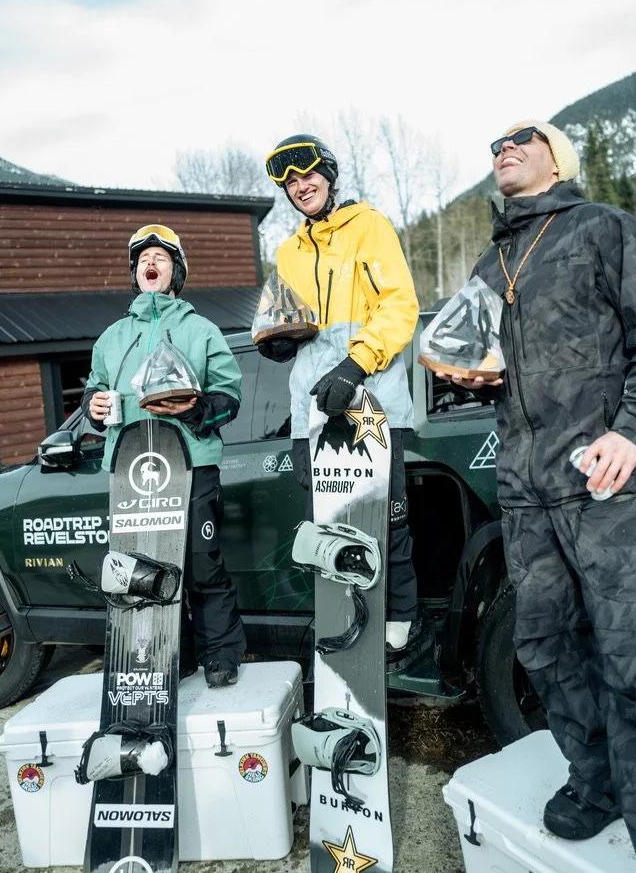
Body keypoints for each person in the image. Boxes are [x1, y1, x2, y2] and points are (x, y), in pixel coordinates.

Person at [440, 121, 636, 873]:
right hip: (526, 493)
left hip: (605, 480)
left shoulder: (602, 227)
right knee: (548, 647)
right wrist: (469, 375)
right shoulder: (490, 261)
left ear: (557, 156)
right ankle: (596, 782)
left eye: (519, 137)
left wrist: (630, 431)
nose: (500, 145)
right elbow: (469, 357)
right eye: (492, 141)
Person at [260, 133, 420, 653]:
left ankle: (400, 611)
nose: (300, 186)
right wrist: (280, 340)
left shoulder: (368, 227)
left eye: (309, 175)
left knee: (383, 514)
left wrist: (356, 363)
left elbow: (399, 306)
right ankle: (343, 614)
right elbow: (285, 318)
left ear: (329, 177)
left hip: (370, 397)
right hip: (311, 407)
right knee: (329, 522)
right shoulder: (288, 252)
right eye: (290, 181)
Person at [83, 224, 246, 689]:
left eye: (161, 257)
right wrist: (91, 405)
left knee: (202, 565)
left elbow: (229, 395)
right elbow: (96, 389)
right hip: (130, 472)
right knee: (141, 569)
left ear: (176, 272)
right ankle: (166, 658)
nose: (150, 264)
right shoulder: (112, 337)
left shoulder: (201, 330)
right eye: (142, 259)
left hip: (191, 464)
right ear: (135, 273)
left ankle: (220, 655)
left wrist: (198, 409)